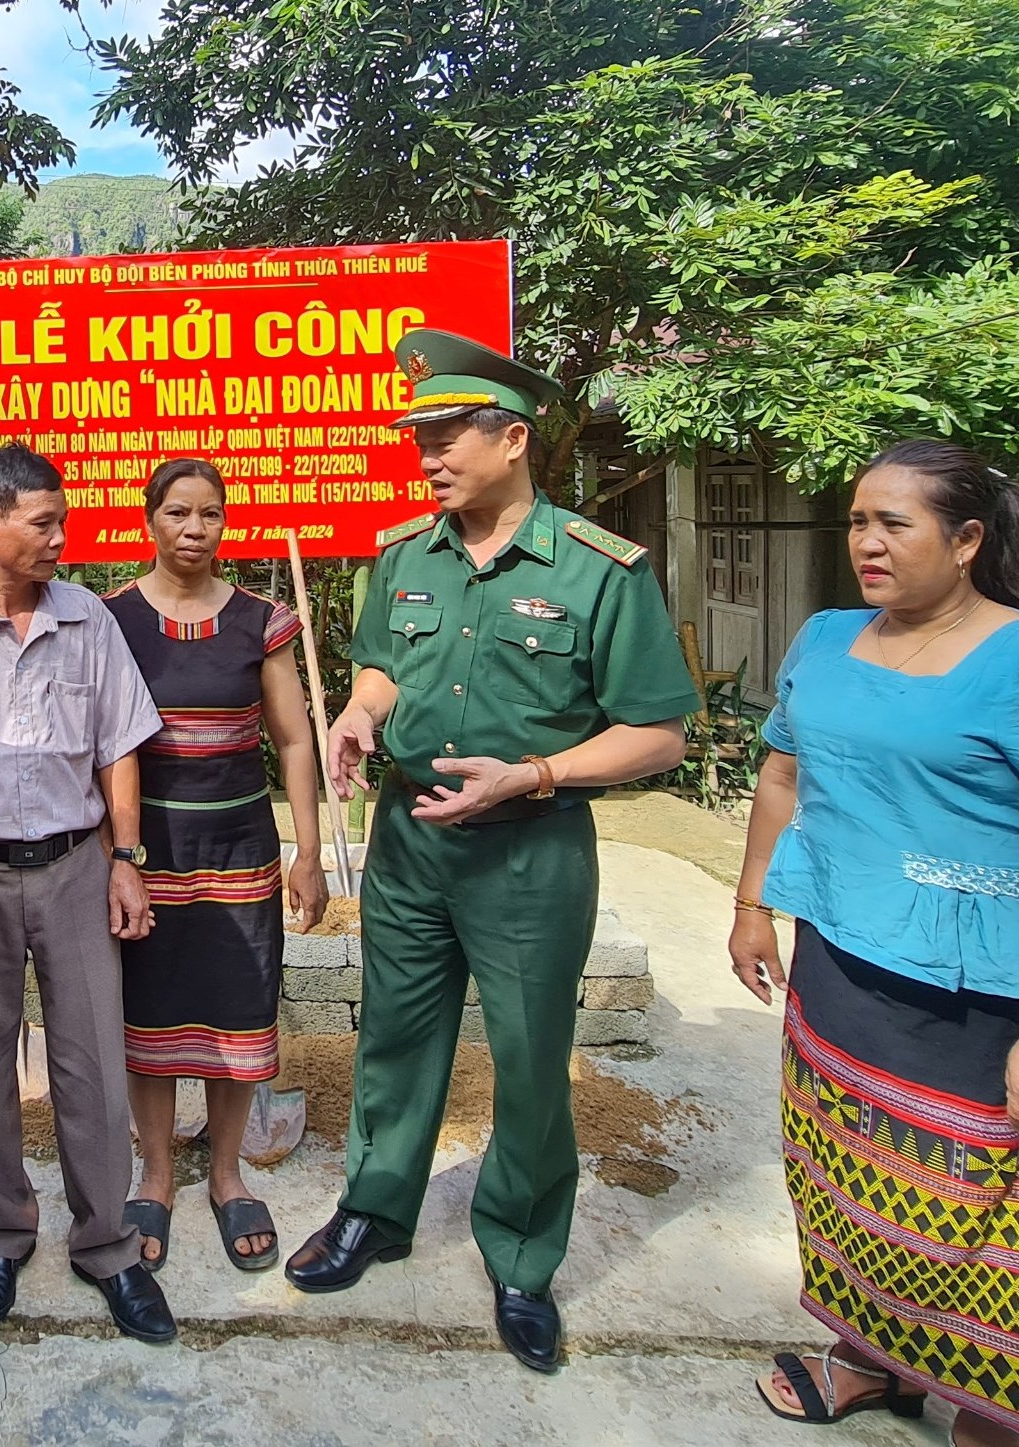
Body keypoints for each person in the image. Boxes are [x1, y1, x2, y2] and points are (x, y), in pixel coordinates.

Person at [728, 440, 1019, 1445]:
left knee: (989, 1220)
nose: (866, 544)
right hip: (838, 969)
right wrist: (752, 906)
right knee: (847, 1182)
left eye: (894, 523)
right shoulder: (827, 640)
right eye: (855, 521)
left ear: (966, 539)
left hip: (985, 1006)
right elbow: (782, 779)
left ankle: (993, 1411)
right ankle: (872, 1361)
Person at [284, 329, 700, 1374]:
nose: (424, 453)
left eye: (445, 433)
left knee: (525, 1058)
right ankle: (373, 1212)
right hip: (410, 844)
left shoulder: (600, 570)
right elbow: (381, 669)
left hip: (528, 851)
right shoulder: (401, 556)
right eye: (415, 435)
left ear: (510, 437)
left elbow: (657, 731)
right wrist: (358, 718)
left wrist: (537, 775)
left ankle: (519, 1255)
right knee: (393, 1035)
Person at [0, 443, 177, 1344]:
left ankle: (107, 1244)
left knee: (90, 1059)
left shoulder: (88, 618)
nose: (59, 539)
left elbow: (119, 742)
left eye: (61, 521)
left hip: (78, 863)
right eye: (42, 524)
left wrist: (127, 856)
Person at [102, 458, 329, 1272]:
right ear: (149, 520)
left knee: (238, 1010)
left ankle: (227, 1174)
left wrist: (308, 851)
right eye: (176, 513)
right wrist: (114, 855)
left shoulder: (259, 621)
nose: (193, 530)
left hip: (240, 854)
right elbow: (105, 747)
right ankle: (156, 1174)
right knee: (151, 1016)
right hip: (145, 854)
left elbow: (295, 739)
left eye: (209, 514)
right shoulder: (111, 620)